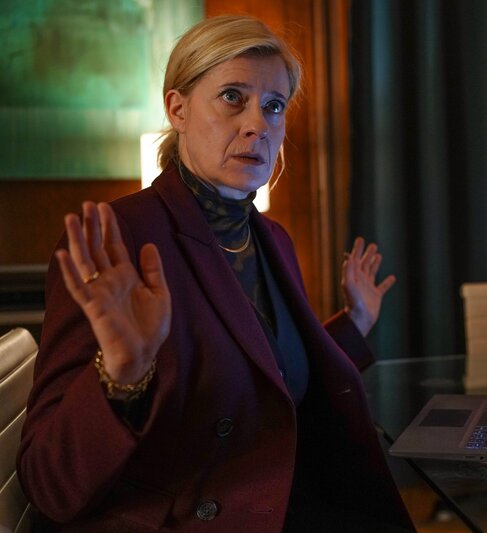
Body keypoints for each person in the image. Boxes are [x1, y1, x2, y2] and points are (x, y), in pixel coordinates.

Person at [18, 15, 414, 531]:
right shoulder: (118, 238)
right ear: (177, 109)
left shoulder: (272, 238)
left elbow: (266, 377)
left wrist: (354, 323)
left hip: (280, 500)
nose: (258, 125)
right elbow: (47, 481)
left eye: (274, 106)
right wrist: (120, 375)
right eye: (232, 97)